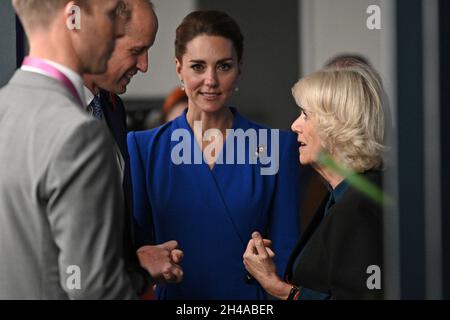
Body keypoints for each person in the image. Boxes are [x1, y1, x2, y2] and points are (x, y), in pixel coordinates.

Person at [127, 10, 301, 299]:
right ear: (179, 68)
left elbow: (286, 255)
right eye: (198, 66)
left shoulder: (276, 147)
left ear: (239, 69)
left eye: (223, 66)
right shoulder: (144, 149)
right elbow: (138, 255)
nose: (211, 80)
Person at [0, 0, 138, 299]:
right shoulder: (80, 134)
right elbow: (93, 289)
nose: (117, 30)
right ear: (73, 16)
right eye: (110, 14)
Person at [243, 65, 386, 300]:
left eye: (305, 115)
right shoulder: (342, 196)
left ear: (337, 125)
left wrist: (277, 287)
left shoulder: (360, 204)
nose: (294, 126)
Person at [83, 0, 183, 296]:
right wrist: (132, 264)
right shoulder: (48, 113)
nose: (144, 65)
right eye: (136, 51)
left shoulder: (112, 109)